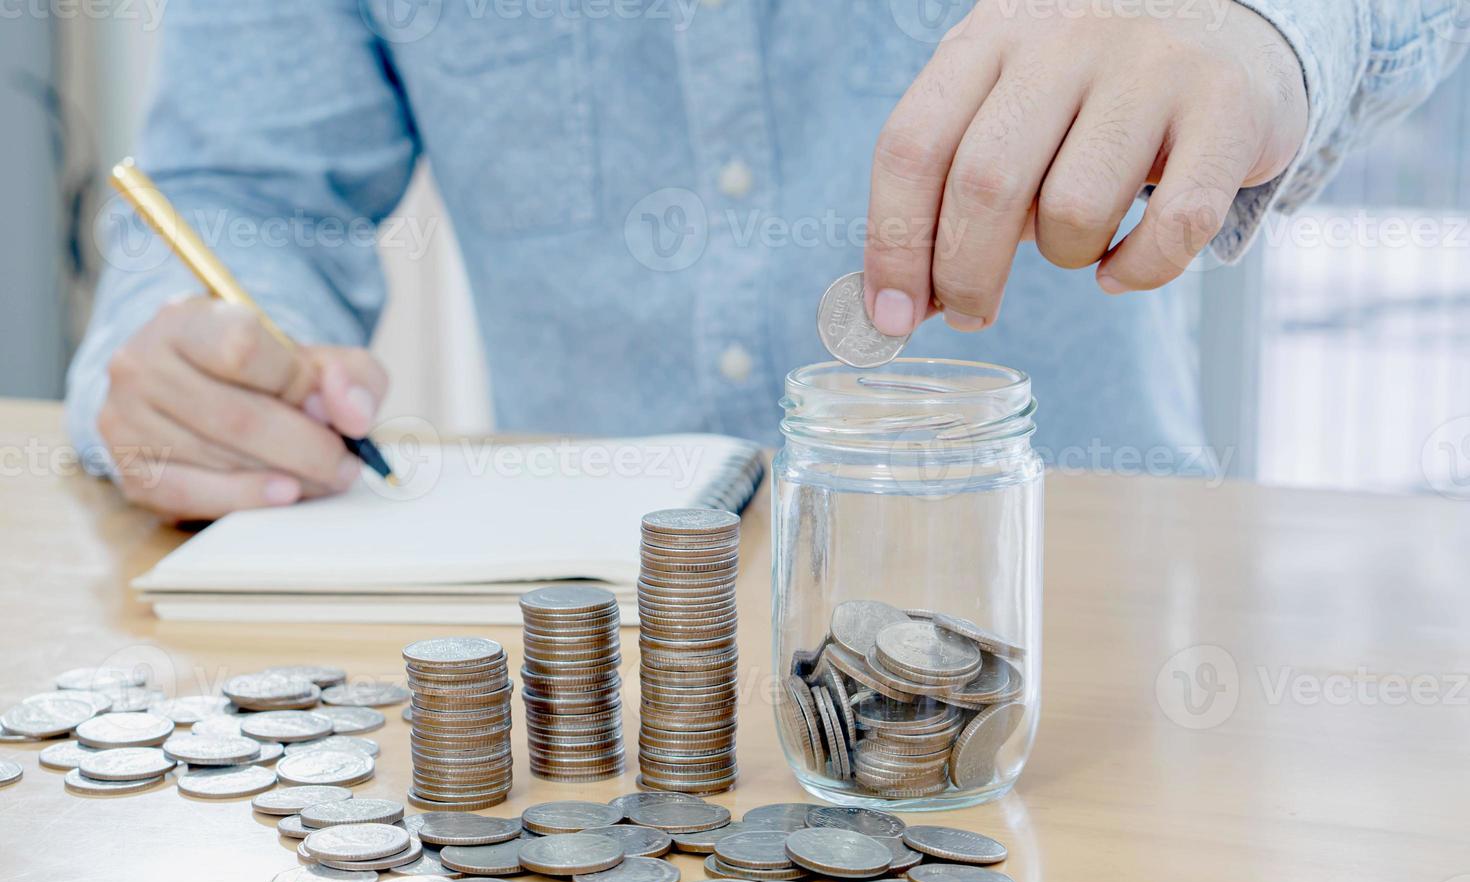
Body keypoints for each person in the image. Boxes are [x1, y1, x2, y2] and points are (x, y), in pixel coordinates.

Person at [67, 0, 1465, 520]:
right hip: (599, 685)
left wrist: (1256, 25)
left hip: (1093, 656)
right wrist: (187, 351)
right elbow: (234, 191)